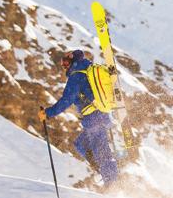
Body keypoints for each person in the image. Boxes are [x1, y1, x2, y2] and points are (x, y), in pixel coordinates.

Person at [38, 49, 118, 187]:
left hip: (94, 117)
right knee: (81, 144)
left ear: (73, 60)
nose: (64, 66)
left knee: (101, 149)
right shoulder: (87, 69)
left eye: (65, 62)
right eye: (62, 64)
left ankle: (113, 183)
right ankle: (105, 173)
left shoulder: (76, 75)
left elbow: (67, 99)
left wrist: (48, 113)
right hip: (99, 116)